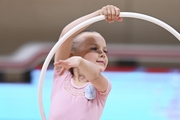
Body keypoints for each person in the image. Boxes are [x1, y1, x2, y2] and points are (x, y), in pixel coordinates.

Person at [49, 5, 123, 120]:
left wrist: (80, 62)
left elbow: (95, 75)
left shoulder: (102, 85)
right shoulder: (61, 73)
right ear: (71, 55)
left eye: (105, 51)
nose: (103, 54)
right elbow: (66, 35)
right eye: (94, 48)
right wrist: (98, 14)